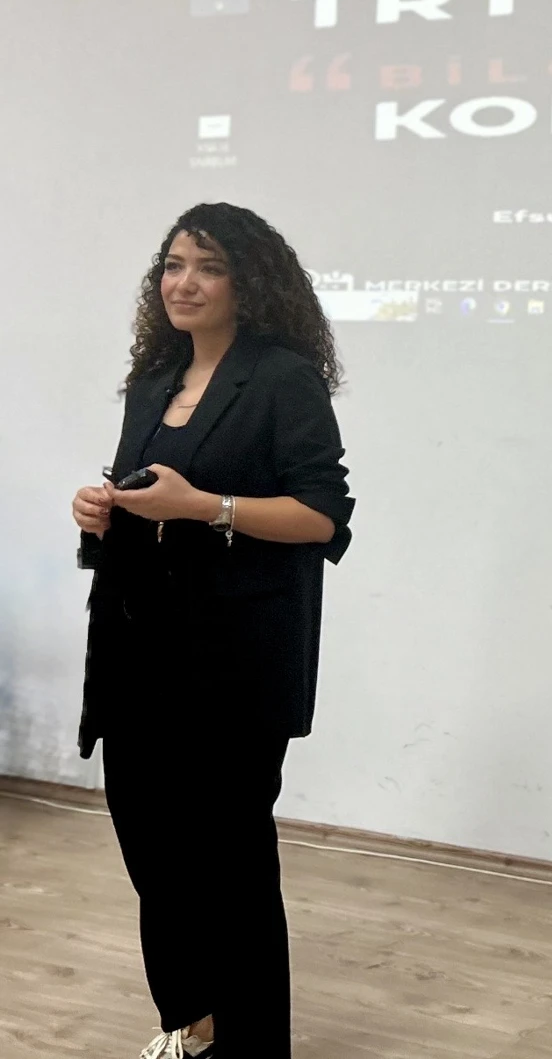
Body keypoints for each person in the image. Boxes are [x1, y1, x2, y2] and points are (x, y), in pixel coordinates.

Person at [71, 203, 354, 1059]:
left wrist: (206, 506)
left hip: (236, 662)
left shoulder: (282, 379)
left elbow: (322, 515)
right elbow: (145, 497)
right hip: (137, 651)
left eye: (208, 266)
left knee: (229, 863)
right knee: (152, 847)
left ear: (250, 282)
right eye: (172, 264)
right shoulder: (154, 381)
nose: (183, 282)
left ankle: (253, 1043)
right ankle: (192, 1022)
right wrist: (100, 511)